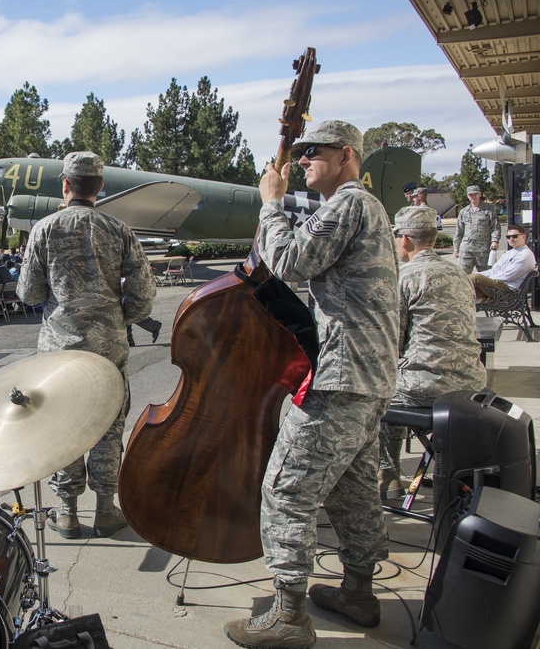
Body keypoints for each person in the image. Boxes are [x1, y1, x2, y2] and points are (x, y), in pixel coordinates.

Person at [224, 121, 399, 648]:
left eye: (312, 152)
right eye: (299, 154)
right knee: (353, 491)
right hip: (368, 378)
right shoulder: (365, 207)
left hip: (341, 379)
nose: (301, 161)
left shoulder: (349, 202)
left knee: (286, 491)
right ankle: (359, 592)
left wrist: (271, 204)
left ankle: (288, 617)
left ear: (346, 154)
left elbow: (293, 262)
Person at [17, 151, 156, 540]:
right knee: (108, 426)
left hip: (59, 352)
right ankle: (106, 510)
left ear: (65, 185)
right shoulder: (119, 229)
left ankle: (66, 512)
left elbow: (29, 294)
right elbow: (144, 295)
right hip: (107, 348)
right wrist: (117, 318)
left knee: (63, 425)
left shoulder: (43, 230)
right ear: (100, 187)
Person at [379, 207, 486, 499]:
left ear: (404, 240)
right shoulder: (460, 274)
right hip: (471, 384)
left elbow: (392, 344)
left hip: (427, 389)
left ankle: (386, 475)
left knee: (376, 392)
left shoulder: (404, 277)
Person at [469, 223, 536, 300]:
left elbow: (508, 276)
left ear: (523, 236)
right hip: (499, 286)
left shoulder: (525, 254)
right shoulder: (509, 253)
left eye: (515, 236)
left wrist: (483, 278)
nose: (511, 239)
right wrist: (476, 275)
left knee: (475, 278)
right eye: (508, 237)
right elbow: (494, 270)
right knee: (465, 288)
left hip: (509, 290)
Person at [453, 185, 500, 274]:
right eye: (471, 195)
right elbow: (459, 231)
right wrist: (456, 248)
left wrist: (495, 240)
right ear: (467, 196)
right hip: (466, 249)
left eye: (475, 194)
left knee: (487, 276)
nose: (473, 197)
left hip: (483, 249)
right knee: (464, 277)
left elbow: (495, 227)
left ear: (480, 194)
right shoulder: (464, 211)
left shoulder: (489, 209)